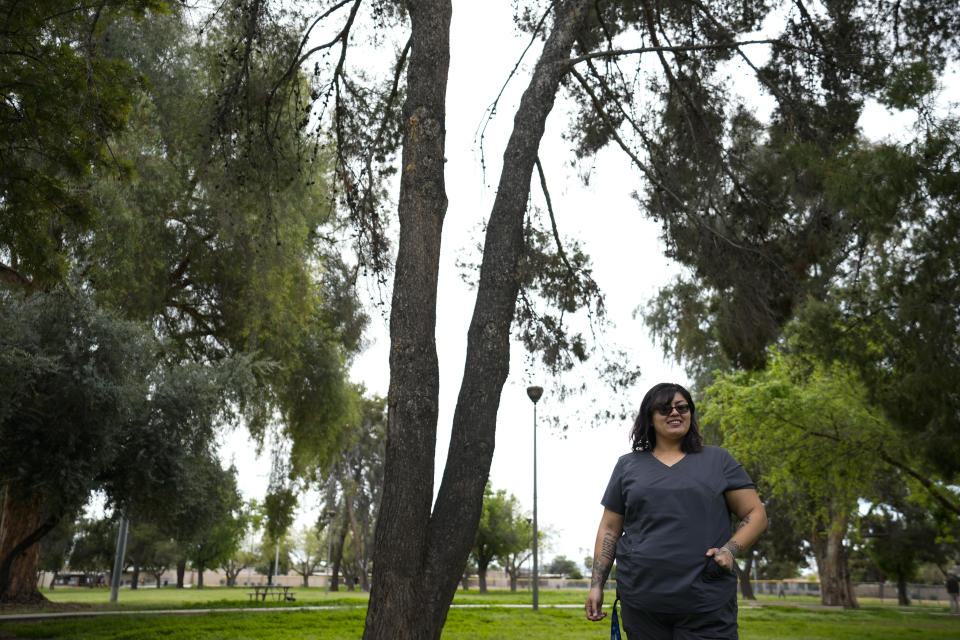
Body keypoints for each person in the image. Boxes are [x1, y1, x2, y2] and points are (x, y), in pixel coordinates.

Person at [585, 382, 767, 639]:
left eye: (682, 407)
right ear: (649, 418)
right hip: (642, 602)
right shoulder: (628, 466)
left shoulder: (719, 460)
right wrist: (596, 586)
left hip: (706, 602)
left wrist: (730, 550)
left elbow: (756, 513)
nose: (675, 413)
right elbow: (610, 528)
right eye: (664, 408)